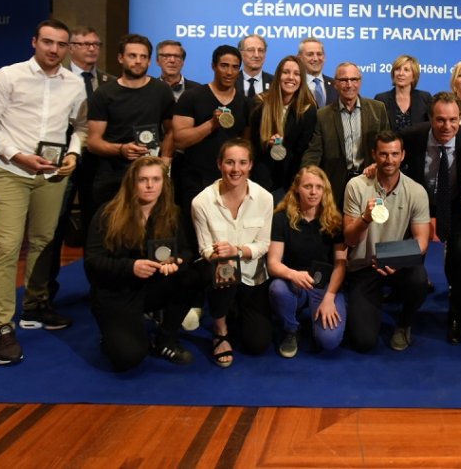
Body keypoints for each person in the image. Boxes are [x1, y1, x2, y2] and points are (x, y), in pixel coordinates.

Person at [0, 19, 86, 365]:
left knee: (44, 242)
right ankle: (1, 328)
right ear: (34, 41)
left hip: (51, 175)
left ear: (68, 49)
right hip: (10, 171)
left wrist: (73, 153)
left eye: (61, 44)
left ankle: (36, 305)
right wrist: (15, 154)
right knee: (6, 247)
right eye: (48, 42)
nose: (54, 49)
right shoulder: (9, 76)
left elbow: (79, 126)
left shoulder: (75, 84)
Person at [84, 156, 197, 370]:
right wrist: (131, 267)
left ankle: (165, 339)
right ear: (131, 182)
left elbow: (186, 252)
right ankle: (111, 335)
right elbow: (92, 262)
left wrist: (176, 262)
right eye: (143, 179)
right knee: (129, 357)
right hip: (116, 293)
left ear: (164, 183)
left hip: (152, 288)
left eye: (156, 179)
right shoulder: (107, 214)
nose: (149, 185)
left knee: (197, 274)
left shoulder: (172, 213)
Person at [400, 91, 461, 344]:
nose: (447, 126)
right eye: (440, 120)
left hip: (456, 206)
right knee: (405, 255)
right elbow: (390, 159)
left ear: (460, 119)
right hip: (419, 205)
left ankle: (456, 317)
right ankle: (404, 314)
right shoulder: (411, 137)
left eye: (453, 120)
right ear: (431, 118)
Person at [343, 131, 432, 352]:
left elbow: (422, 242)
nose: (389, 160)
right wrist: (365, 218)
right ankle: (367, 302)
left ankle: (403, 323)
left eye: (394, 154)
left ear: (403, 155)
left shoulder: (416, 191)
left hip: (396, 262)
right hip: (363, 266)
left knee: (419, 279)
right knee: (363, 342)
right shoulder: (356, 186)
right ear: (374, 154)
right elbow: (349, 238)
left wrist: (399, 260)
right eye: (383, 154)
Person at [191, 139, 275, 366]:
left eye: (242, 163)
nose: (236, 169)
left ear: (250, 166)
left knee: (257, 344)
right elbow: (205, 248)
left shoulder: (265, 198)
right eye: (229, 162)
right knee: (224, 269)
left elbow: (264, 245)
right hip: (219, 273)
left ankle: (235, 311)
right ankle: (220, 330)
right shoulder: (201, 202)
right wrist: (222, 255)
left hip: (252, 275)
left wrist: (236, 250)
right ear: (219, 164)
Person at [47, 25, 111, 298]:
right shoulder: (55, 80)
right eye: (84, 44)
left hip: (99, 168)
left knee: (97, 226)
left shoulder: (109, 82)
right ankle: (45, 292)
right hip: (61, 163)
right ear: (71, 48)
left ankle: (97, 288)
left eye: (96, 44)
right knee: (53, 228)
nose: (91, 49)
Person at [86, 34, 175, 208]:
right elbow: (93, 142)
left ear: (150, 61)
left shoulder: (161, 90)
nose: (138, 61)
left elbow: (172, 130)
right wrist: (121, 149)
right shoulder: (104, 94)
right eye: (132, 56)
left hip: (150, 174)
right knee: (111, 230)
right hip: (113, 176)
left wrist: (164, 162)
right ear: (121, 58)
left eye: (143, 57)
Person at [267, 166, 348, 357]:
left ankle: (329, 309)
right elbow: (273, 263)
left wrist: (329, 297)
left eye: (319, 187)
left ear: (325, 190)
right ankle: (291, 329)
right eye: (307, 186)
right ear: (296, 188)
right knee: (277, 288)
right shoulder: (280, 219)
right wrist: (292, 274)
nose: (313, 192)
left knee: (328, 341)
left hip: (325, 286)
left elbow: (340, 264)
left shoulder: (335, 222)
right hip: (294, 283)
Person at [302, 62, 390, 210]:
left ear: (360, 82)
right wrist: (306, 174)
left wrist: (378, 164)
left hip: (370, 180)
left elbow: (387, 144)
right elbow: (314, 151)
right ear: (335, 84)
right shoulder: (323, 115)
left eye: (354, 79)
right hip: (335, 185)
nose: (349, 84)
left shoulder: (377, 109)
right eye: (344, 80)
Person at [172, 45, 249, 210]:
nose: (229, 72)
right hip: (195, 181)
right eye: (224, 65)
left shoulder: (245, 103)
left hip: (231, 182)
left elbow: (247, 147)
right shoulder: (192, 96)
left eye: (235, 67)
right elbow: (179, 140)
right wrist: (211, 124)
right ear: (213, 66)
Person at [249, 54, 319, 199]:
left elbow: (303, 151)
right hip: (261, 178)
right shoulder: (260, 103)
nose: (291, 78)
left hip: (291, 180)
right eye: (286, 72)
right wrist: (267, 143)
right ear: (278, 76)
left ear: (302, 79)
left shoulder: (308, 109)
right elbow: (252, 144)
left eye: (297, 74)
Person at [374, 54, 433, 131]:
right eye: (397, 69)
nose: (400, 73)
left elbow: (431, 127)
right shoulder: (381, 99)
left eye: (406, 70)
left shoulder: (425, 98)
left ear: (414, 76)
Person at [299, 37, 338, 107]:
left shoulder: (335, 85)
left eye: (319, 54)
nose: (316, 59)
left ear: (324, 57)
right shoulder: (294, 84)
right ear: (299, 58)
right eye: (310, 54)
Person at [238, 34, 273, 101]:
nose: (256, 55)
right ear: (241, 53)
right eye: (251, 50)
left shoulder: (274, 83)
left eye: (260, 50)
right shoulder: (231, 81)